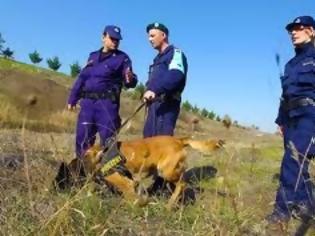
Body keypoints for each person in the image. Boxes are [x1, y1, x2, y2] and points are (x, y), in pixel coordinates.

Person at [267, 16, 315, 224]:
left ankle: (281, 212)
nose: (293, 33)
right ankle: (305, 206)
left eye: (299, 28)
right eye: (291, 30)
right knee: (299, 163)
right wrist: (281, 121)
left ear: (311, 31)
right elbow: (285, 95)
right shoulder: (290, 65)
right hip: (291, 118)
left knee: (291, 162)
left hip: (309, 115)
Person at [68, 25, 138, 158]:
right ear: (103, 37)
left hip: (107, 105)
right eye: (112, 38)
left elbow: (130, 80)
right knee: (83, 138)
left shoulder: (122, 58)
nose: (115, 42)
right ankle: (83, 171)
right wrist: (73, 98)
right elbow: (82, 77)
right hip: (87, 104)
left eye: (117, 40)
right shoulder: (92, 56)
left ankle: (108, 174)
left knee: (108, 141)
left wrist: (130, 79)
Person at [143, 22, 188, 138]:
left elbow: (176, 75)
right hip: (154, 106)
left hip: (166, 105)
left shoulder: (175, 53)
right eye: (149, 36)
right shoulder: (157, 59)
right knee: (148, 144)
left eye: (152, 36)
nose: (149, 39)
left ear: (163, 35)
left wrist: (155, 90)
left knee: (161, 146)